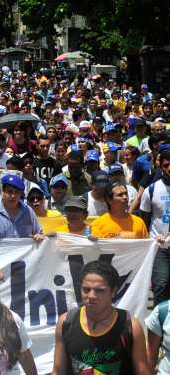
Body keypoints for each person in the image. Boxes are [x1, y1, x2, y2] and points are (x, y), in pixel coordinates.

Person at [51, 260, 148, 375]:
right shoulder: (66, 322)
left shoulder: (131, 326)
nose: (91, 296)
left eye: (99, 290)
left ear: (113, 292)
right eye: (86, 289)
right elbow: (58, 370)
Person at [0, 175, 49, 281]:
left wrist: (40, 237)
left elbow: (40, 234)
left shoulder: (28, 211)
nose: (13, 196)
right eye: (10, 191)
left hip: (25, 271)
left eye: (16, 192)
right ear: (2, 191)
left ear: (21, 194)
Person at [138, 149, 170, 306]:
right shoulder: (151, 190)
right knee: (161, 284)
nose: (169, 168)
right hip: (159, 245)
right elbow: (144, 221)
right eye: (166, 165)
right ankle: (160, 323)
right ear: (160, 168)